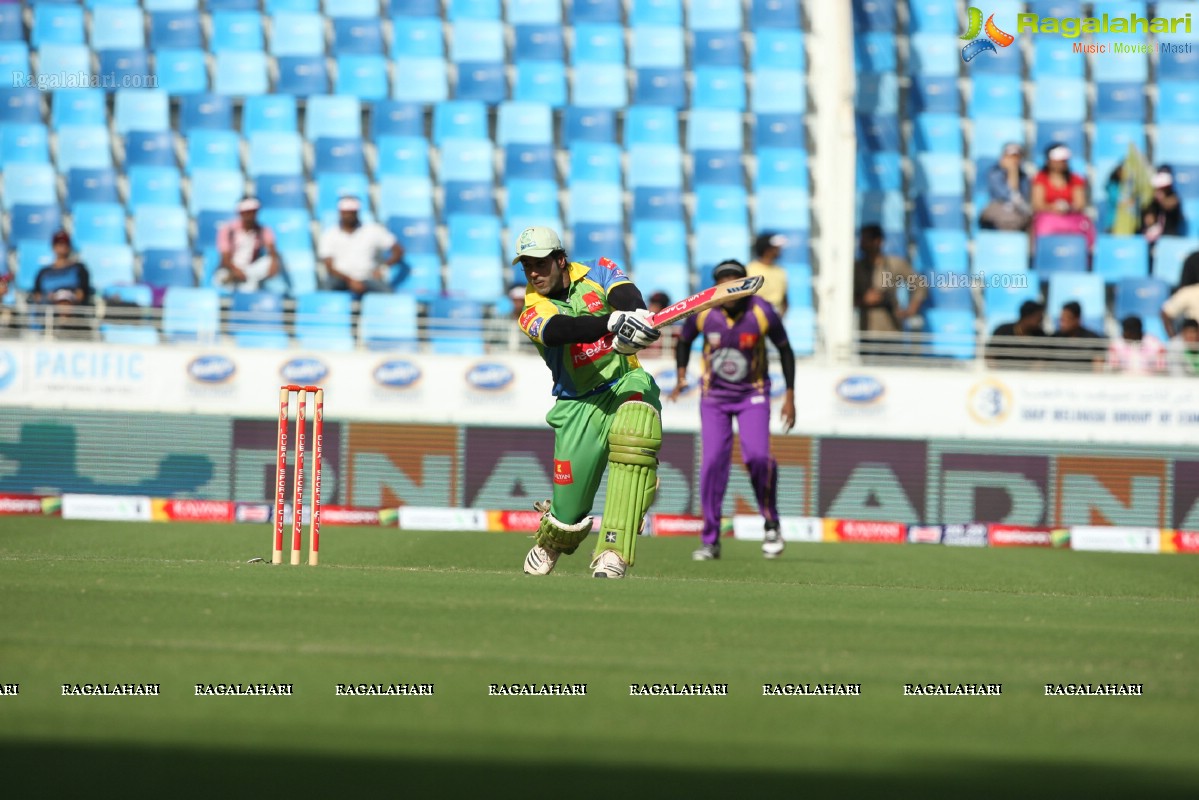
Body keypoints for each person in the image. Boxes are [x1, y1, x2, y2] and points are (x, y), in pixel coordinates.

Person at [514, 226, 663, 580]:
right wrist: (611, 322)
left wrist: (635, 317)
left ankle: (613, 550)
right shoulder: (531, 309)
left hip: (624, 380)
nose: (534, 273)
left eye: (541, 264)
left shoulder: (598, 270)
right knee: (567, 517)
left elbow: (626, 293)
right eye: (527, 266)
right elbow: (560, 330)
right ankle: (552, 539)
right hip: (577, 404)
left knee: (636, 434)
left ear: (560, 259)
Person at [669, 259, 796, 561]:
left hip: (753, 394)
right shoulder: (704, 311)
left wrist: (790, 396)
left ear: (746, 283)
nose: (731, 288)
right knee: (712, 463)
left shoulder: (761, 311)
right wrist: (682, 374)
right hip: (714, 398)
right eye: (723, 283)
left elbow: (786, 349)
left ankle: (771, 524)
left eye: (736, 281)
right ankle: (710, 540)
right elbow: (683, 340)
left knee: (758, 457)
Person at [853, 223, 926, 358]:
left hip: (890, 330)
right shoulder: (855, 268)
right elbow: (843, 298)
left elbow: (919, 285)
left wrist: (910, 310)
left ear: (878, 241)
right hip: (863, 330)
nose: (862, 244)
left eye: (866, 240)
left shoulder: (895, 264)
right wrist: (863, 300)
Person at [318, 196, 405, 297]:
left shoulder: (373, 230)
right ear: (340, 212)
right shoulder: (329, 234)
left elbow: (398, 250)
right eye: (346, 212)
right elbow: (329, 266)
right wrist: (351, 281)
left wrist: (383, 267)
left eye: (352, 212)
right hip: (341, 278)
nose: (348, 215)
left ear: (357, 212)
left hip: (367, 278)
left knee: (388, 295)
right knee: (326, 290)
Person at [1031, 143, 1095, 250]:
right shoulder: (1040, 178)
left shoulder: (1076, 179)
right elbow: (1037, 204)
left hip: (1071, 217)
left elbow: (1080, 204)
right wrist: (1053, 208)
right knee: (1044, 226)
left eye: (1063, 160)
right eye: (1057, 160)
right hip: (1048, 218)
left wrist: (1068, 208)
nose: (1060, 163)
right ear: (1049, 161)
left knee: (1083, 226)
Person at [31, 230, 92, 338]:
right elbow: (37, 295)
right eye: (59, 243)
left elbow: (81, 293)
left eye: (65, 244)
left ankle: (66, 330)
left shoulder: (78, 268)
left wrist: (65, 299)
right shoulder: (43, 272)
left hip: (72, 310)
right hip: (49, 311)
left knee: (65, 304)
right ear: (53, 246)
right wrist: (51, 298)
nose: (62, 247)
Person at [214, 197, 281, 292]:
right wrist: (236, 271)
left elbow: (272, 251)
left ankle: (240, 280)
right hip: (231, 269)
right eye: (247, 212)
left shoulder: (263, 230)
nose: (251, 215)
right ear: (241, 213)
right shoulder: (228, 230)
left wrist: (274, 263)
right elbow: (225, 258)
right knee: (224, 278)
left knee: (268, 262)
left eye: (253, 212)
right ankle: (235, 279)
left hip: (249, 270)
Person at [980, 142, 1032, 231]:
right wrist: (1012, 172)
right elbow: (1007, 196)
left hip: (1017, 212)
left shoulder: (1024, 177)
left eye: (1016, 157)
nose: (1013, 160)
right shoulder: (994, 174)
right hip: (999, 208)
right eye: (1010, 156)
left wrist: (1014, 173)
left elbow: (1023, 198)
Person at [986, 300, 1048, 366]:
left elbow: (1041, 360)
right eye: (1038, 317)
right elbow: (990, 356)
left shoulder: (1040, 335)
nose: (1041, 320)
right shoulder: (1003, 331)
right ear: (1028, 316)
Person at [1049, 300, 1105, 370]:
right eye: (1061, 320)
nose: (1062, 324)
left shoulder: (1092, 339)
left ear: (1077, 319)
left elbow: (1098, 368)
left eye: (1065, 320)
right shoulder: (1054, 339)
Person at [746, 233, 788, 316]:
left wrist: (778, 320)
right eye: (775, 248)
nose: (779, 250)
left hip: (774, 321)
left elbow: (784, 301)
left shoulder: (781, 271)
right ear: (767, 250)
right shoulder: (749, 270)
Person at [1143, 166, 1185, 245]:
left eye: (1162, 188)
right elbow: (1149, 219)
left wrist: (1161, 199)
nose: (1160, 190)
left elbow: (1170, 204)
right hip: (1155, 239)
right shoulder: (1154, 202)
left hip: (1170, 236)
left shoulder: (1174, 197)